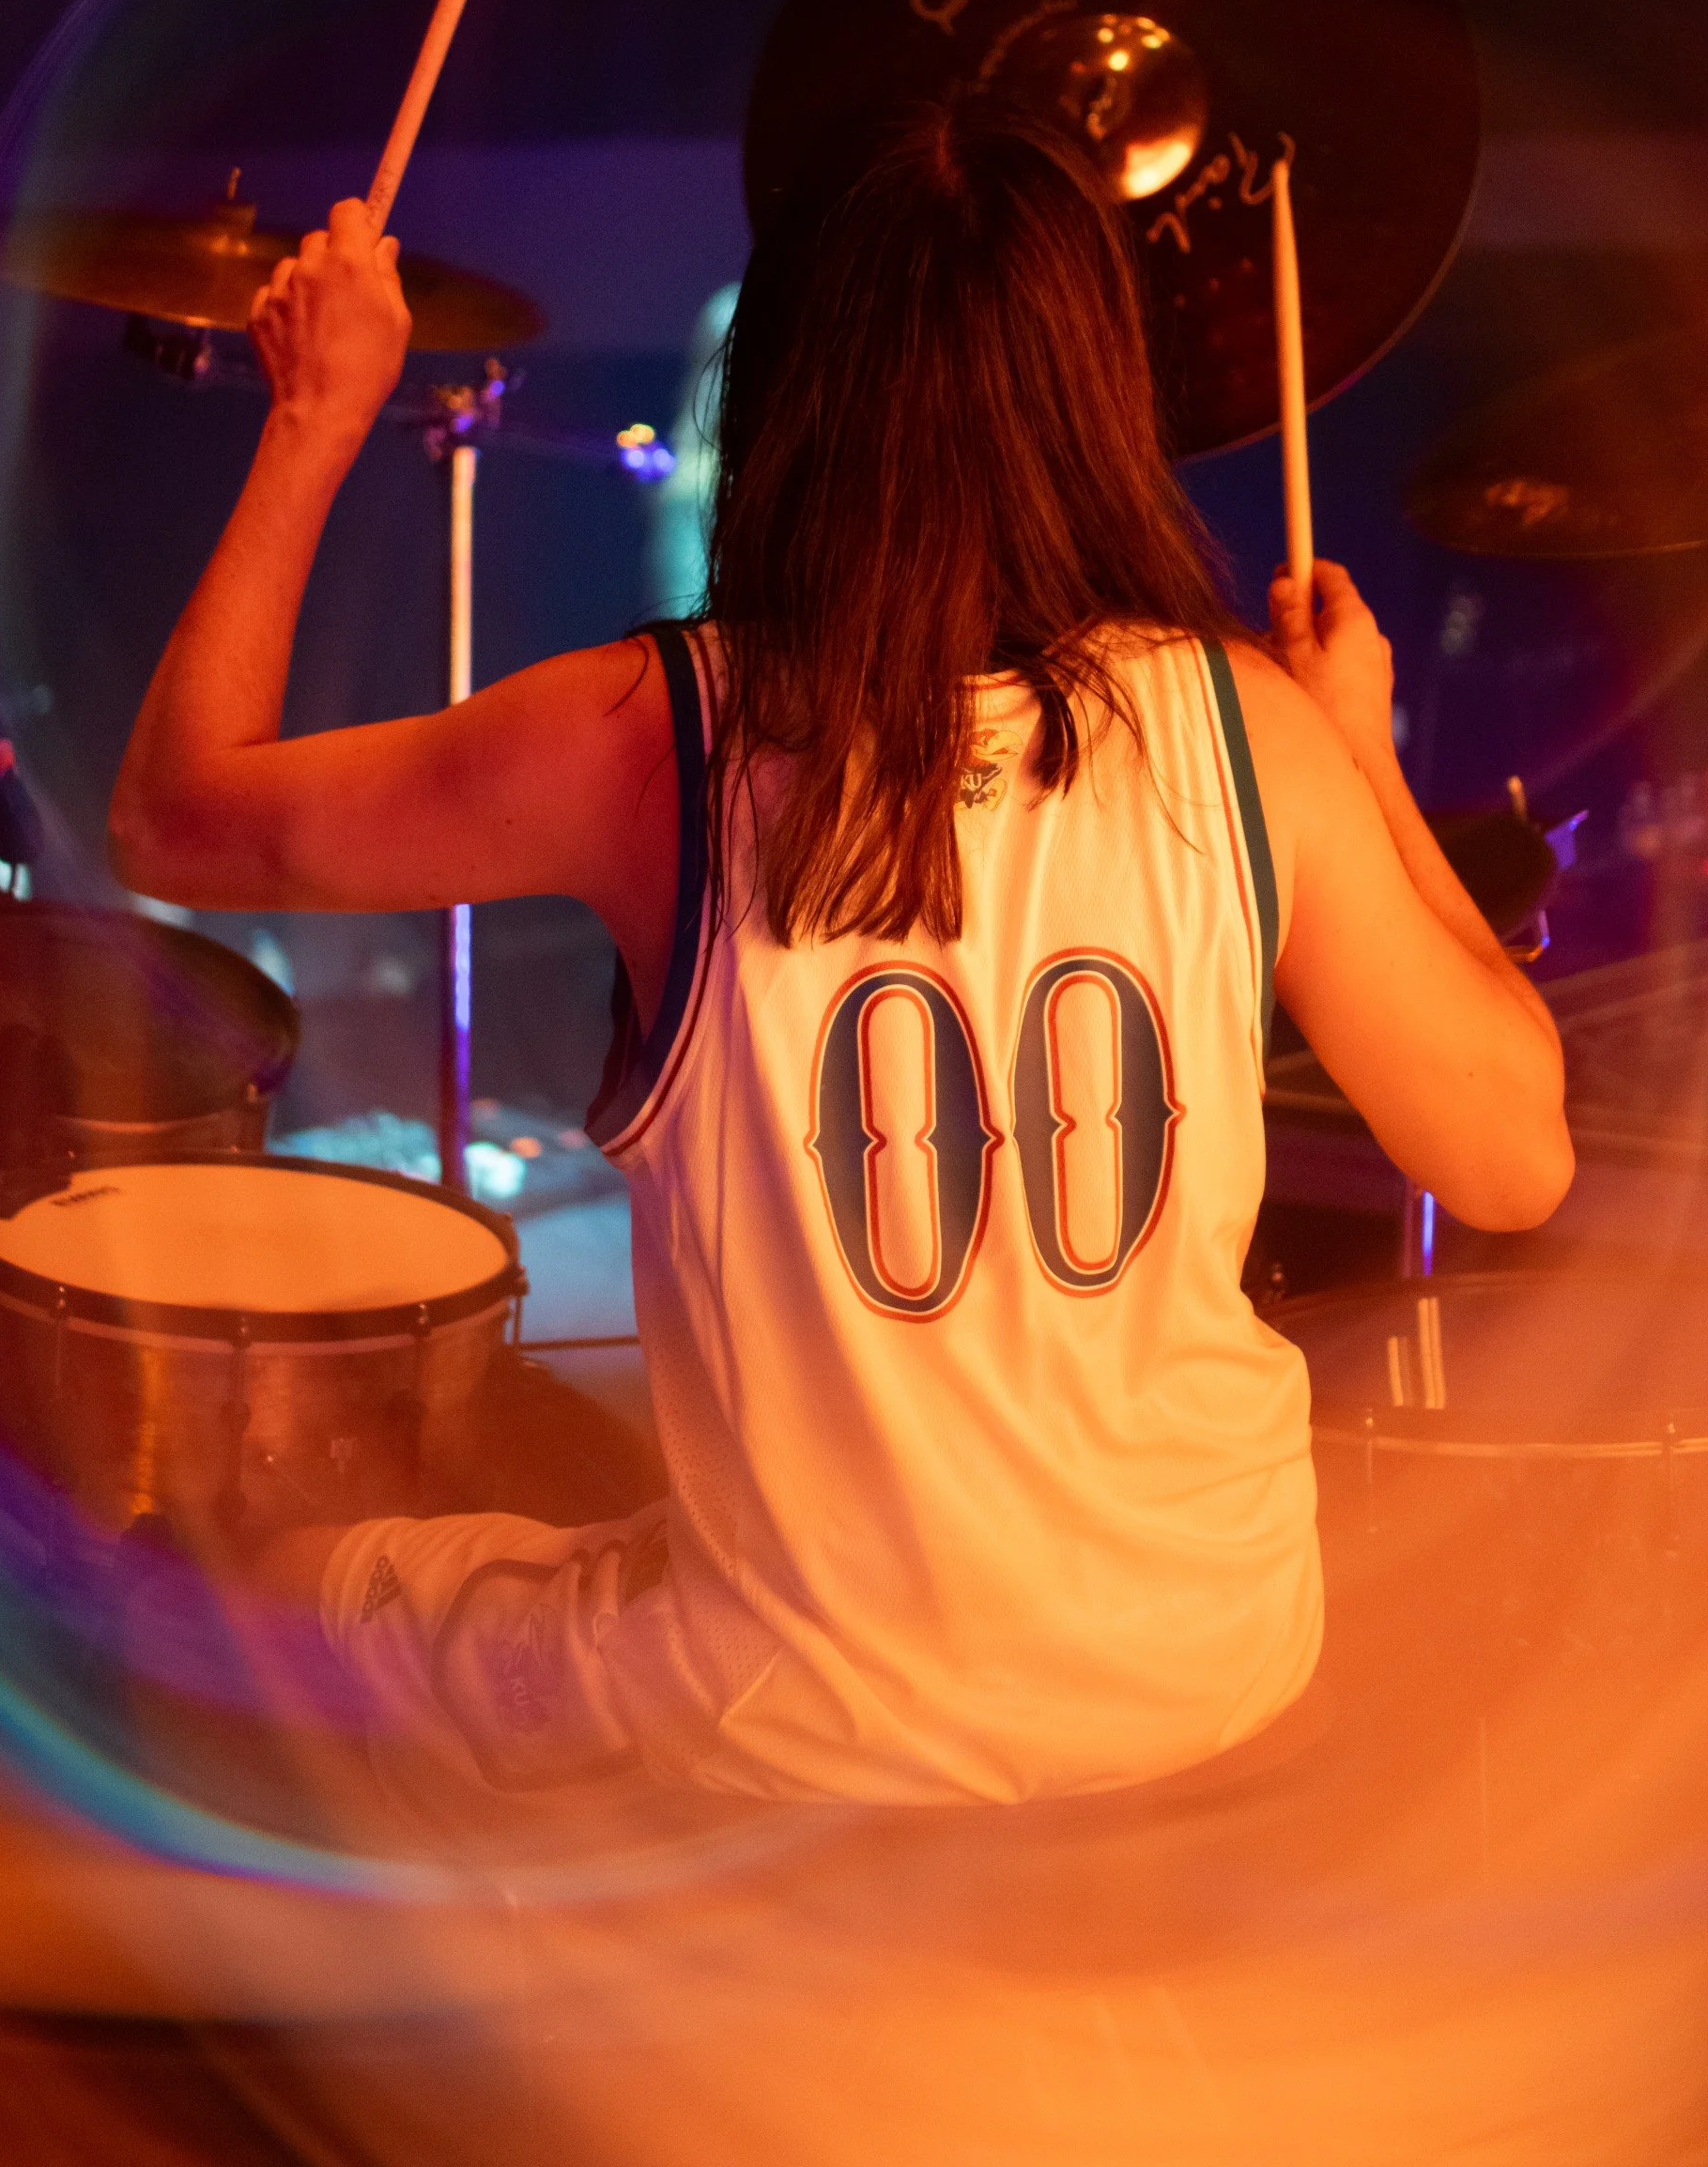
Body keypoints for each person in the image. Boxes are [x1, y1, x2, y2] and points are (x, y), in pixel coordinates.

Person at [110, 106, 1572, 1807]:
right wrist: (1363, 753)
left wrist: (317, 412)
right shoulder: (1250, 730)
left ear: (786, 397)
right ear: (1099, 398)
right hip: (1223, 1670)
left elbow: (173, 826)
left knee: (258, 1581)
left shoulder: (658, 738)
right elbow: (1517, 1161)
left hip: (800, 1730)